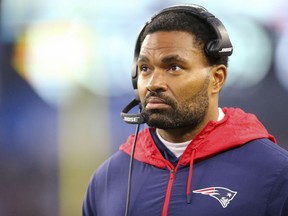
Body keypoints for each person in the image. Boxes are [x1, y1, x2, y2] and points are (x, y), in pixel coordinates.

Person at [82, 4, 288, 216]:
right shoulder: (107, 179)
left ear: (217, 79)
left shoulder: (275, 173)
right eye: (145, 69)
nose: (153, 83)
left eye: (174, 67)